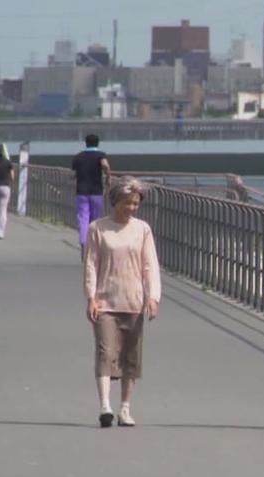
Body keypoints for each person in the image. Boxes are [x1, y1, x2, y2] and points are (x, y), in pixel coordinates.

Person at [83, 177, 160, 428]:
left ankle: (125, 409)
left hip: (134, 301)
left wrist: (153, 297)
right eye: (128, 202)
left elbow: (150, 266)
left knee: (130, 358)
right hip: (105, 301)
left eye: (136, 203)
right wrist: (91, 297)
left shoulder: (142, 229)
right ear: (115, 200)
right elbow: (91, 264)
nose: (132, 208)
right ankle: (105, 406)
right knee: (106, 353)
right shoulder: (98, 228)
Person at [72, 134, 111, 253]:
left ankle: (84, 242)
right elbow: (105, 165)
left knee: (83, 218)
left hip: (81, 192)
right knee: (96, 219)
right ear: (97, 143)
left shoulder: (78, 156)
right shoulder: (100, 155)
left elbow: (74, 173)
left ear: (86, 143)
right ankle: (95, 244)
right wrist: (108, 176)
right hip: (96, 191)